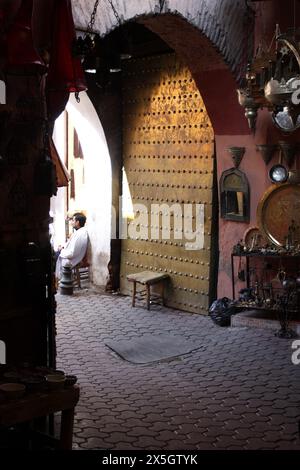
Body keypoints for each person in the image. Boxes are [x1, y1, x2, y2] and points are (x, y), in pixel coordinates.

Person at [55, 212, 88, 280]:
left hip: (73, 258)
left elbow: (73, 253)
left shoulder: (80, 234)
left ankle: (56, 281)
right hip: (70, 254)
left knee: (53, 257)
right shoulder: (79, 232)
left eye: (73, 220)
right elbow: (71, 245)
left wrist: (62, 250)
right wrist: (63, 247)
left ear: (77, 222)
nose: (71, 222)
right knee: (54, 253)